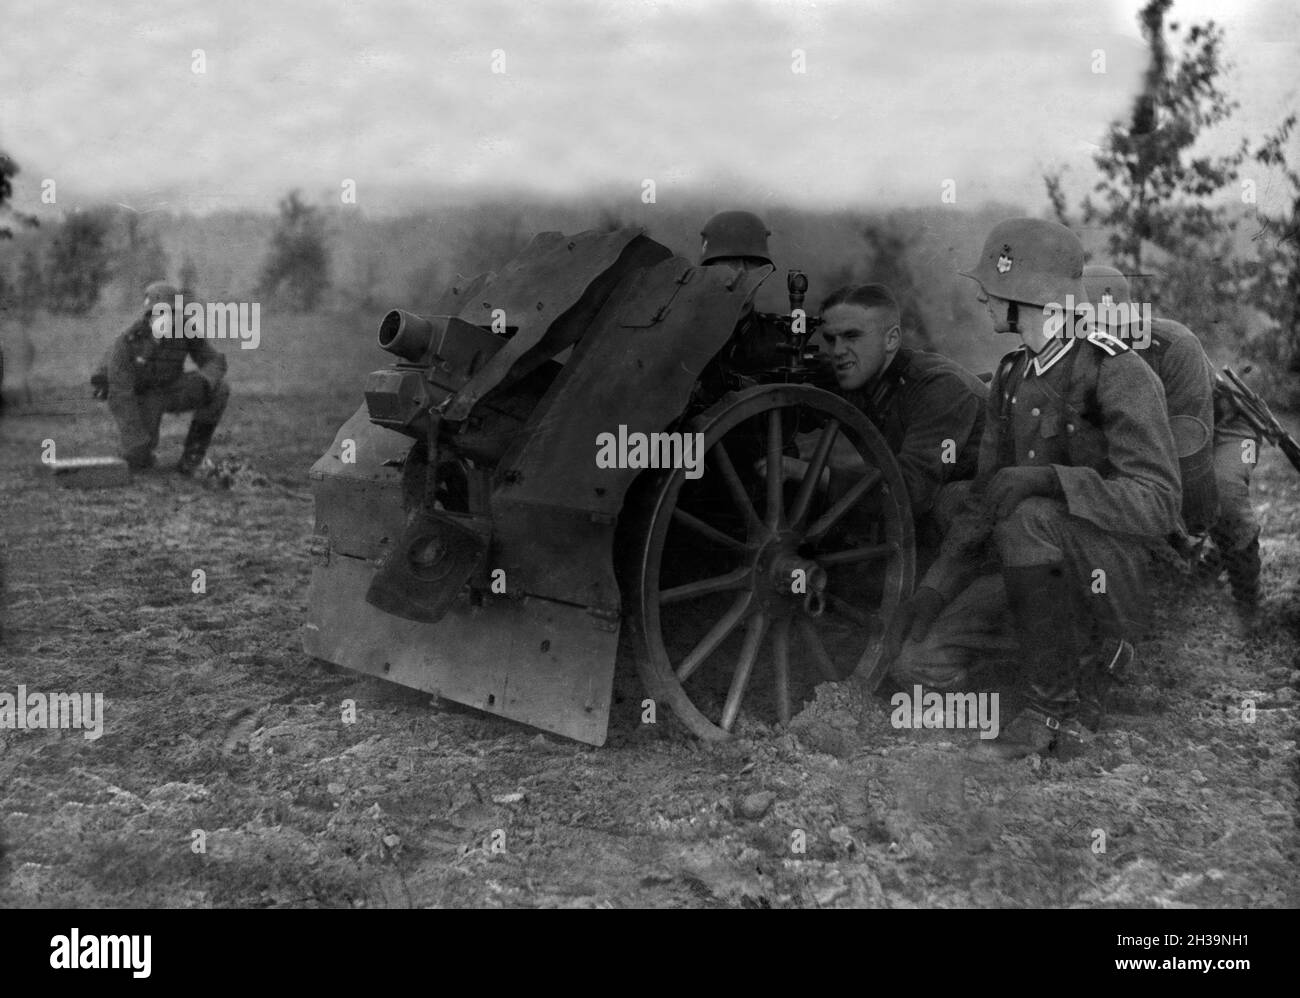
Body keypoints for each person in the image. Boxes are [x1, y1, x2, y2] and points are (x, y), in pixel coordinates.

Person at [887, 218, 1182, 761]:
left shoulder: (1116, 370)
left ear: (1027, 297)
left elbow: (1158, 502)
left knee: (1030, 516)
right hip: (1039, 571)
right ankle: (1060, 660)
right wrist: (933, 588)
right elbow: (983, 502)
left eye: (992, 288)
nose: (981, 297)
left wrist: (1052, 480)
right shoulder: (1010, 376)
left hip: (1108, 571)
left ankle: (1052, 711)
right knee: (917, 664)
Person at [1083, 265, 1261, 613]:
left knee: (1224, 494)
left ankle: (1248, 604)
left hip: (1220, 432)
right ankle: (1189, 567)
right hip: (1150, 440)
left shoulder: (1174, 345)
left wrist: (1187, 527)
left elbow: (1189, 442)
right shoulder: (1079, 354)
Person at [92, 281, 229, 474]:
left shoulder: (184, 329)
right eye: (156, 313)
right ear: (147, 315)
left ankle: (193, 457)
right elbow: (121, 394)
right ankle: (141, 454)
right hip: (143, 396)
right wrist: (136, 438)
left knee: (219, 389)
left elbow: (214, 360)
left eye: (170, 312)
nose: (163, 318)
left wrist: (205, 379)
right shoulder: (128, 340)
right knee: (137, 458)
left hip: (173, 388)